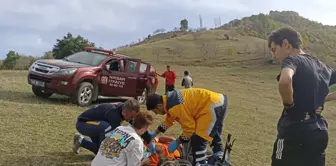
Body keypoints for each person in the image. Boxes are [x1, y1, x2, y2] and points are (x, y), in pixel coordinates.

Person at [268, 27, 334, 166]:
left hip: (294, 130)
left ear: (286, 44)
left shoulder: (292, 60)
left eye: (274, 50)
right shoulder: (323, 67)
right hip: (319, 131)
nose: (273, 55)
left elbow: (285, 81)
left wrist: (289, 106)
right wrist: (323, 99)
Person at [145, 88, 229, 165]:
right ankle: (220, 159)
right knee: (213, 136)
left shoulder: (175, 107)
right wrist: (155, 133)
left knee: (198, 141)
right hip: (217, 102)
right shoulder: (169, 101)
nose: (156, 113)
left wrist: (177, 142)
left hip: (212, 107)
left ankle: (201, 163)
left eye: (155, 111)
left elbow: (190, 129)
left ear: (159, 106)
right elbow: (169, 121)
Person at [73, 98, 155, 155]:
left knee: (100, 151)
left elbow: (137, 124)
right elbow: (116, 138)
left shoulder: (126, 108)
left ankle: (81, 141)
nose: (132, 119)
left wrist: (149, 140)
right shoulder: (114, 116)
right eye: (131, 117)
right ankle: (81, 140)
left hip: (96, 124)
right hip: (83, 124)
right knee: (106, 142)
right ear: (124, 112)